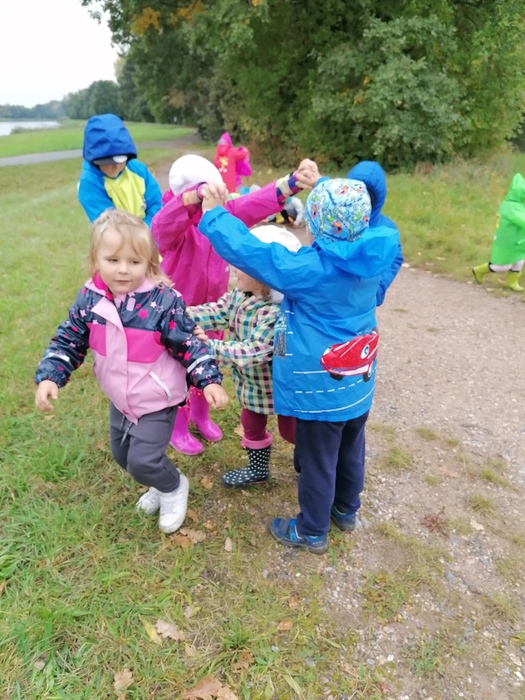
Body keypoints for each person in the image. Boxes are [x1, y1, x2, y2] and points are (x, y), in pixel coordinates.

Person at [197, 169, 398, 554]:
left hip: (321, 391)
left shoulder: (312, 270)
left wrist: (215, 213)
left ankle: (311, 530)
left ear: (317, 227)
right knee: (351, 449)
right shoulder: (372, 257)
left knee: (317, 460)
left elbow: (253, 254)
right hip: (358, 385)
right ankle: (346, 510)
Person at [34, 210, 228, 534]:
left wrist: (208, 380)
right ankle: (158, 481)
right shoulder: (89, 300)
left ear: (149, 262)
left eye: (134, 261)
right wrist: (50, 376)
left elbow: (189, 342)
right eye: (113, 260)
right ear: (96, 259)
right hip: (120, 398)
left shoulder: (163, 302)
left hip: (157, 399)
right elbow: (69, 339)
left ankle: (173, 486)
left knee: (142, 461)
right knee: (123, 456)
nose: (123, 269)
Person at [151, 154, 311, 456]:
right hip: (181, 311)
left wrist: (290, 184)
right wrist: (194, 197)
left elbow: (254, 203)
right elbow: (161, 226)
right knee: (178, 371)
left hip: (216, 307)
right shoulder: (172, 221)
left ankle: (200, 415)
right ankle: (178, 426)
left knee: (206, 366)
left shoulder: (221, 215)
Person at [187, 225, 301, 487]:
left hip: (281, 387)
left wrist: (211, 348)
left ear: (262, 275)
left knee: (291, 430)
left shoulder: (278, 314)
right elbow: (217, 311)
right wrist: (182, 313)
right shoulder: (241, 295)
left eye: (241, 265)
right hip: (253, 386)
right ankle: (258, 469)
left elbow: (254, 350)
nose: (233, 268)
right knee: (251, 422)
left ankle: (312, 458)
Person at [78, 113, 162, 226]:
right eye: (108, 162)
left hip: (149, 232)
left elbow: (157, 205)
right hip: (118, 236)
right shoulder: (89, 183)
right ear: (94, 159)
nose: (116, 166)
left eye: (121, 160)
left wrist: (147, 229)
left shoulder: (138, 169)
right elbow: (110, 225)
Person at [346, 161, 404, 305]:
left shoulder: (386, 230)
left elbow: (394, 259)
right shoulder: (338, 219)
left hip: (365, 301)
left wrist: (377, 290)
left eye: (367, 198)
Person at [472, 172, 525, 292]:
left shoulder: (517, 205)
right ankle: (479, 270)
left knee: (519, 260)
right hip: (506, 242)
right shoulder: (511, 207)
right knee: (502, 266)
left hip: (517, 241)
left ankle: (512, 282)